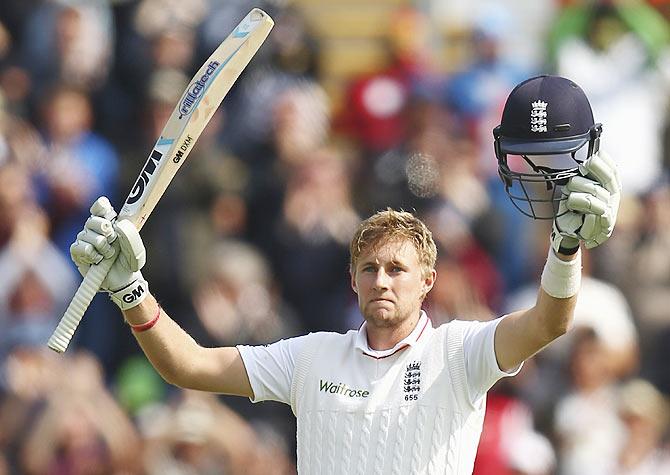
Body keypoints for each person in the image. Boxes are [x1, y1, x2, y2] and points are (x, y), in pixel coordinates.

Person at [68, 75, 621, 474]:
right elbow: (188, 365)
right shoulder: (310, 358)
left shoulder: (462, 352)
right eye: (370, 269)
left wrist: (565, 247)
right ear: (352, 281)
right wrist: (129, 290)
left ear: (427, 281)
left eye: (398, 269)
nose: (382, 280)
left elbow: (549, 321)